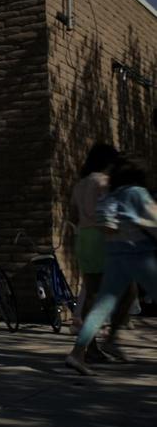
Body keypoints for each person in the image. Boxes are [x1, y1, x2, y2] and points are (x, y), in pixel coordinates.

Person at [66, 157, 157, 375]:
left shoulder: (111, 196)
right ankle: (107, 342)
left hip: (115, 256)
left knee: (101, 306)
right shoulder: (137, 193)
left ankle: (78, 353)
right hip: (139, 254)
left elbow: (103, 223)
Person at [69, 143, 135, 358]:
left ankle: (92, 348)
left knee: (91, 293)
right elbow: (110, 216)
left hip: (83, 238)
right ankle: (108, 340)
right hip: (102, 238)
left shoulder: (79, 185)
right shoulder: (104, 182)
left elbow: (73, 217)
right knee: (129, 290)